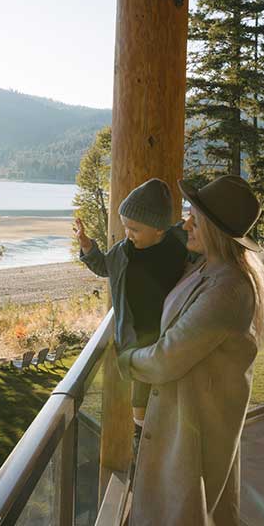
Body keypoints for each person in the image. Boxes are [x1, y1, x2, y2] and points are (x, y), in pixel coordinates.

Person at [116, 174, 264, 526]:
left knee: (181, 508)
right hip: (191, 415)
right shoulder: (204, 268)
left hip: (196, 421)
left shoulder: (226, 289)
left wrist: (125, 359)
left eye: (194, 219)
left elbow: (168, 357)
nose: (184, 223)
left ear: (214, 230)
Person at [75, 178, 192, 427]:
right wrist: (88, 247)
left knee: (171, 402)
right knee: (140, 404)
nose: (128, 234)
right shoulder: (123, 251)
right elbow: (104, 267)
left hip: (172, 338)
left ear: (159, 229)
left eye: (135, 229)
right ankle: (141, 440)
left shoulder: (181, 246)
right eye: (126, 227)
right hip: (137, 342)